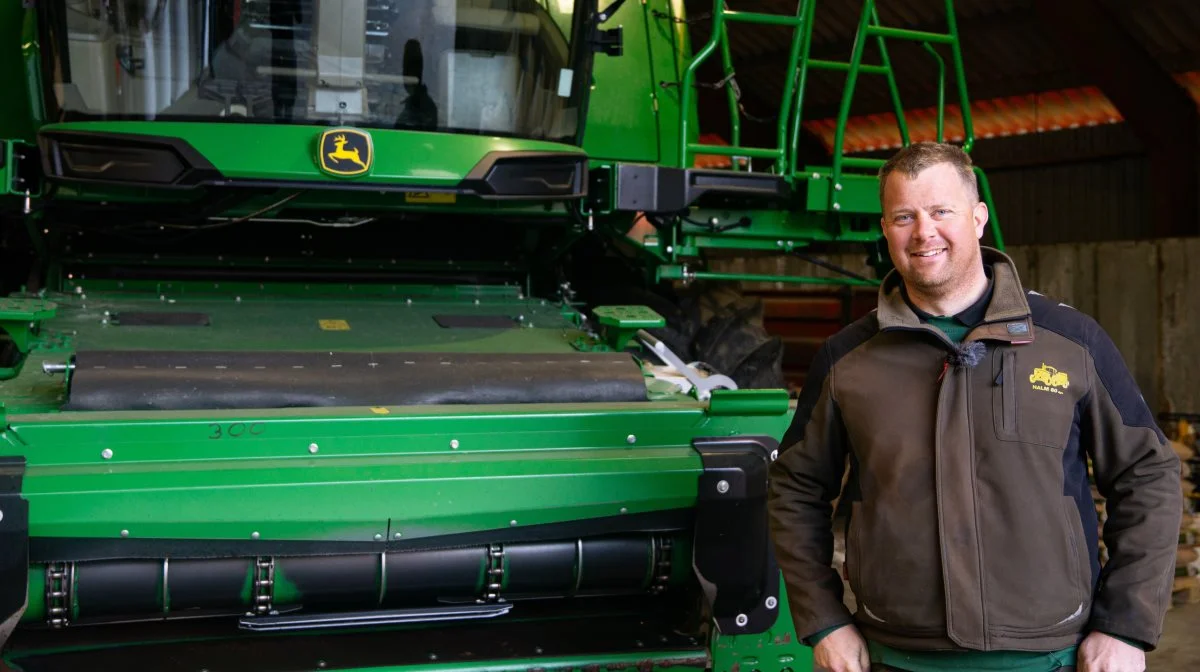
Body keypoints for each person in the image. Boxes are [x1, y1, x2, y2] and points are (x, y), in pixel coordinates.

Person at [766, 142, 1182, 672]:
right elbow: (795, 489)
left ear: (978, 218)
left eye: (942, 211)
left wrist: (1125, 625)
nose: (924, 232)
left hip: (1050, 655)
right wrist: (824, 618)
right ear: (885, 229)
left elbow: (1148, 474)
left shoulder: (1069, 342)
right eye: (903, 216)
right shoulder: (848, 359)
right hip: (897, 655)